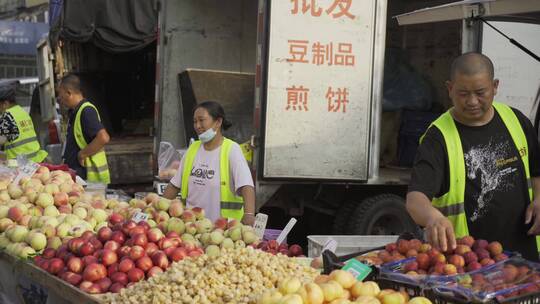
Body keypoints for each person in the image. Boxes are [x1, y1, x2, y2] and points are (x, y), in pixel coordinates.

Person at [406, 52, 540, 261]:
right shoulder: (438, 138)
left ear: (495, 86)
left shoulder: (517, 120)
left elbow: (536, 171)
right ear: (449, 89)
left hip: (528, 260)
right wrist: (433, 218)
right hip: (471, 265)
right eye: (463, 93)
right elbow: (415, 199)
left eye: (480, 92)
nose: (472, 101)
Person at [163, 101, 256, 226]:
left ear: (218, 122)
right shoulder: (192, 149)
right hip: (191, 228)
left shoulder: (231, 149)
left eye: (202, 120)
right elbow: (174, 185)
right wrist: (158, 208)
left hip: (223, 231)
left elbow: (246, 185)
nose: (197, 126)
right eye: (195, 121)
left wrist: (249, 215)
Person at [57, 74, 111, 184]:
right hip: (79, 176)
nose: (60, 99)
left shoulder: (86, 111)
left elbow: (103, 138)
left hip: (88, 178)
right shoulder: (76, 111)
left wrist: (82, 154)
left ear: (69, 93)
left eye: (61, 95)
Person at [0, 80, 47, 162]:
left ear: (5, 104)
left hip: (21, 165)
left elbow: (1, 140)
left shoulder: (7, 116)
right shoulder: (22, 112)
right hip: (36, 160)